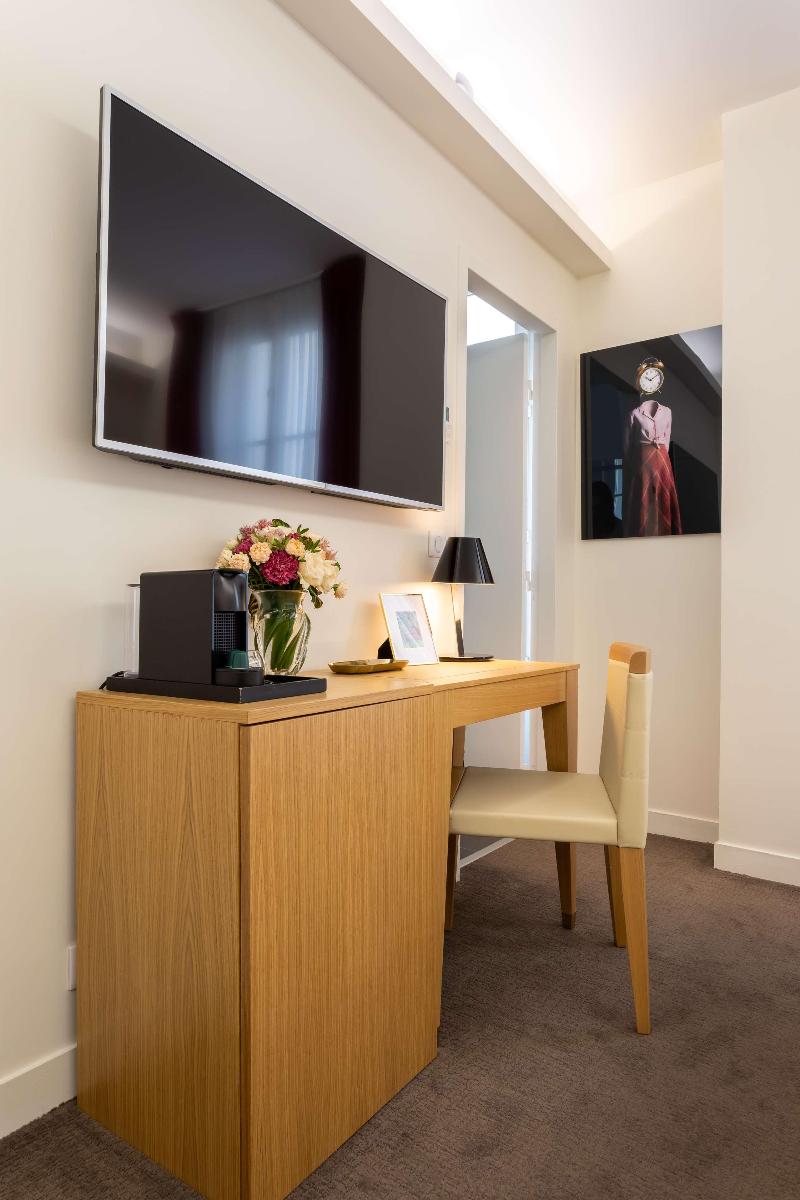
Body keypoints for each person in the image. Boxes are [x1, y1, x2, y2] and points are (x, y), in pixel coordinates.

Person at [623, 395, 682, 536]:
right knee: (644, 500)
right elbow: (627, 446)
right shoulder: (634, 414)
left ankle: (665, 533)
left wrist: (660, 457)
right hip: (643, 462)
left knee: (663, 497)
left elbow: (667, 438)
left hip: (662, 460)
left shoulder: (667, 412)